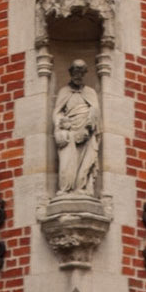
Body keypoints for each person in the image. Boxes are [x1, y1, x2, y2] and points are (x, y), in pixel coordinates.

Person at [52, 59, 100, 194]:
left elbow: (95, 111)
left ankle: (81, 187)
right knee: (67, 162)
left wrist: (88, 127)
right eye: (75, 72)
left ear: (84, 74)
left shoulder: (90, 92)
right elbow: (57, 112)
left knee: (85, 163)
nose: (78, 75)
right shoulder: (64, 92)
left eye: (81, 72)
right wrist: (61, 125)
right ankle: (65, 189)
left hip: (86, 133)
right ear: (71, 73)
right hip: (69, 133)